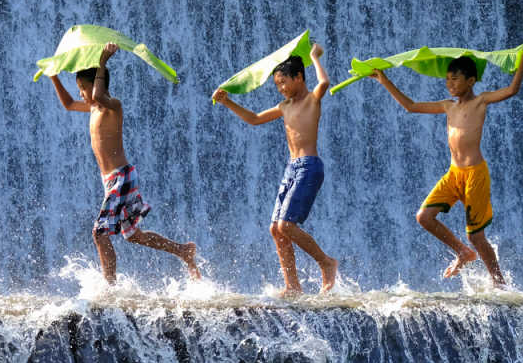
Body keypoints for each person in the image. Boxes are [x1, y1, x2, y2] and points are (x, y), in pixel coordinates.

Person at [370, 41, 523, 286]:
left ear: (471, 81)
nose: (450, 84)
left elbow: (512, 89)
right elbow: (411, 106)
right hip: (454, 174)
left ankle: (499, 281)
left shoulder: (481, 101)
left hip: (475, 175)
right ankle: (462, 252)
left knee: (477, 236)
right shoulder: (447, 106)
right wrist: (383, 80)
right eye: (447, 79)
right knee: (424, 217)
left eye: (455, 79)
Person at [49, 42, 200, 285]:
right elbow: (67, 104)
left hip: (121, 176)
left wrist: (102, 62)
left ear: (97, 83)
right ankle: (183, 250)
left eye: (83, 88)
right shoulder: (93, 109)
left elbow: (98, 95)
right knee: (132, 235)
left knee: (99, 233)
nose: (82, 94)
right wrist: (54, 76)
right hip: (113, 180)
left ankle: (109, 286)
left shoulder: (112, 106)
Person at [212, 43, 339, 297]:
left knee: (287, 225)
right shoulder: (284, 107)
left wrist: (314, 57)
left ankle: (326, 262)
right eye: (277, 85)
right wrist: (228, 102)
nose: (281, 89)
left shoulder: (312, 100)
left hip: (309, 167)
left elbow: (324, 83)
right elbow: (254, 119)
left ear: (299, 77)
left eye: (283, 83)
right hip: (291, 169)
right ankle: (293, 286)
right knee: (275, 229)